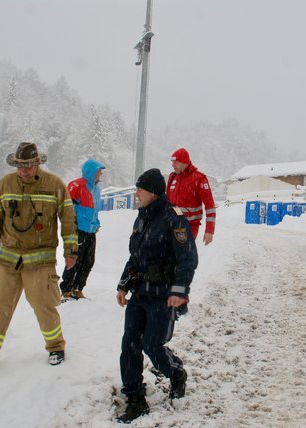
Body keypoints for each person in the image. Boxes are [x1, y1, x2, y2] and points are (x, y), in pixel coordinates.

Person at [0, 142, 78, 377]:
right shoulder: (4, 185)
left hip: (41, 262)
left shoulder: (55, 185)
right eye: (20, 166)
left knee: (44, 307)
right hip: (9, 261)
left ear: (37, 163)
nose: (24, 171)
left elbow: (68, 219)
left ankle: (56, 347)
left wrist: (71, 250)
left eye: (28, 166)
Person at [115, 168, 198, 423]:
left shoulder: (174, 219)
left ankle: (175, 372)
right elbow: (135, 257)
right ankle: (135, 397)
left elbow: (187, 259)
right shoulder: (141, 219)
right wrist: (123, 285)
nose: (136, 193)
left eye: (140, 189)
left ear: (152, 191)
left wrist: (179, 291)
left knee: (152, 344)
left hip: (163, 295)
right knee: (129, 343)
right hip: (140, 292)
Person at [60, 159, 106, 301]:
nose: (100, 174)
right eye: (99, 171)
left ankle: (78, 288)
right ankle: (66, 289)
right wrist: (73, 224)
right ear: (91, 171)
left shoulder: (96, 189)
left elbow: (95, 210)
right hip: (78, 230)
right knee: (74, 259)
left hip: (91, 231)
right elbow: (67, 208)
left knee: (88, 261)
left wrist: (96, 223)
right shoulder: (76, 185)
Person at [166, 147, 216, 245]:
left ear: (183, 162)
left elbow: (210, 206)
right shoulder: (172, 177)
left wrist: (209, 230)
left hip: (189, 227)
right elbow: (167, 203)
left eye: (175, 162)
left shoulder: (199, 178)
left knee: (182, 256)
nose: (172, 165)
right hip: (170, 225)